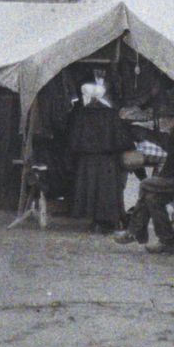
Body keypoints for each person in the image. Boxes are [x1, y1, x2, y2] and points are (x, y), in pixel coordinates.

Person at [68, 77, 132, 234]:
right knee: (106, 192)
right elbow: (122, 140)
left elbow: (74, 141)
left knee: (90, 191)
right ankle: (107, 222)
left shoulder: (81, 114)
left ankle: (94, 222)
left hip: (87, 161)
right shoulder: (111, 114)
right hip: (107, 161)